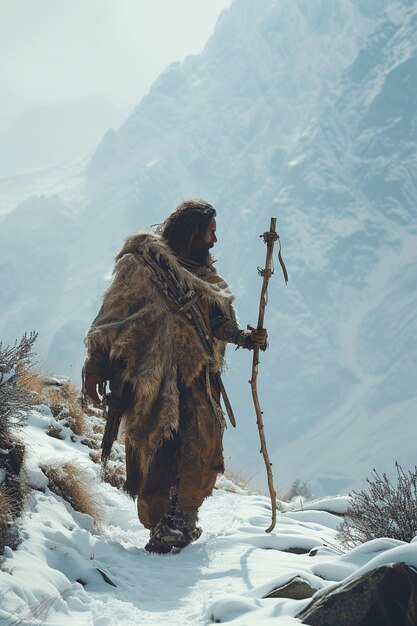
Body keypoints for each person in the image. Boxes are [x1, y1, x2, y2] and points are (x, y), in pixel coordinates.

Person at [83, 199, 267, 554]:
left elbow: (216, 321)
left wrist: (245, 338)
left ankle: (182, 518)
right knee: (156, 451)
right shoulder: (141, 266)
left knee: (203, 444)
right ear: (194, 231)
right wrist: (94, 369)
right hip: (149, 379)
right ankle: (161, 521)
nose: (215, 240)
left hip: (196, 378)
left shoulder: (206, 278)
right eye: (211, 232)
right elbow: (111, 321)